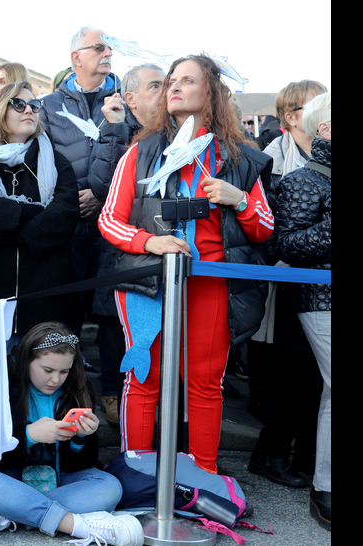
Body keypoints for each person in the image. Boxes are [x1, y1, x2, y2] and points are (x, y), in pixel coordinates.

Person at [98, 54, 274, 474]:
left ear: (210, 91)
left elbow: (265, 228)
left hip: (211, 285)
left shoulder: (240, 157)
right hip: (149, 282)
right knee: (144, 379)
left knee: (205, 384)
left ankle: (205, 479)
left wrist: (241, 200)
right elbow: (109, 220)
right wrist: (151, 242)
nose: (174, 87)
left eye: (187, 80)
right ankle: (136, 476)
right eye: (170, 80)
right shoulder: (140, 152)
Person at [0, 322, 144, 546]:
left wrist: (81, 439)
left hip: (59, 478)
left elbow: (80, 465)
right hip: (11, 477)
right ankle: (76, 524)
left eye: (64, 371)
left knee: (109, 485)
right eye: (48, 370)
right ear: (27, 361)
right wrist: (28, 435)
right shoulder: (2, 384)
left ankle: (5, 514)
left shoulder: (78, 388)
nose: (56, 380)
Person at [0, 82, 79, 340]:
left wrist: (8, 232)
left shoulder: (56, 161)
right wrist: (29, 212)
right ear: (0, 110)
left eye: (34, 105)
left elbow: (65, 214)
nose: (28, 110)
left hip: (44, 291)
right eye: (18, 104)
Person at [248, 79, 327, 489]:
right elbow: (278, 236)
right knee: (293, 374)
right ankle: (272, 454)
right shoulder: (270, 162)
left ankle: (308, 460)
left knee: (315, 378)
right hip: (281, 282)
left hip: (312, 284)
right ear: (294, 118)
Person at [85, 63, 165, 426]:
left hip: (162, 251)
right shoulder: (113, 128)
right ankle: (112, 393)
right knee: (113, 325)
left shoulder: (175, 134)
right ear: (130, 97)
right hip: (120, 247)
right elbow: (101, 186)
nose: (165, 92)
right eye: (155, 86)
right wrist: (114, 129)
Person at [270, 91, 330, 531]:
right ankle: (325, 485)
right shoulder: (303, 180)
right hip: (319, 299)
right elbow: (286, 246)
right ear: (325, 128)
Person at [39, 26, 121, 335]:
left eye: (109, 48)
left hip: (113, 218)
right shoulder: (48, 105)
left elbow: (135, 157)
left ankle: (113, 381)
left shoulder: (126, 100)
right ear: (77, 57)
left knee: (110, 306)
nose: (108, 54)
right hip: (68, 221)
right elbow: (42, 163)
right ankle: (65, 372)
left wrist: (102, 197)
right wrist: (71, 201)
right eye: (99, 48)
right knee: (65, 305)